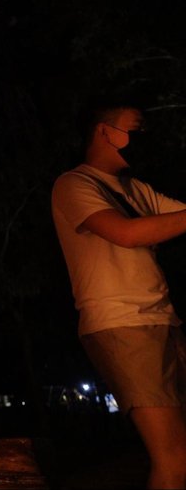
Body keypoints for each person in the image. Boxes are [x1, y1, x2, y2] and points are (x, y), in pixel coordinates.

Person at [51, 94, 186, 489]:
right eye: (135, 128)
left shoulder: (137, 189)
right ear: (104, 131)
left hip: (162, 319)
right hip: (121, 324)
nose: (144, 135)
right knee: (173, 458)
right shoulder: (73, 184)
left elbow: (176, 218)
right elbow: (126, 233)